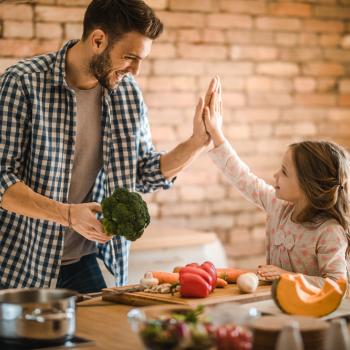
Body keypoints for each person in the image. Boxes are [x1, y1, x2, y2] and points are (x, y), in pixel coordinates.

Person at [0, 0, 214, 292]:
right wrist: (69, 214)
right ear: (98, 40)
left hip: (83, 261)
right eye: (129, 57)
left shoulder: (126, 93)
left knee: (108, 337)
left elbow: (142, 173)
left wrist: (197, 143)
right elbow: (2, 178)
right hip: (19, 262)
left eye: (141, 60)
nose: (135, 71)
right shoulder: (22, 83)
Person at [205, 77, 350, 287]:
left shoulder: (329, 232)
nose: (275, 175)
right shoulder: (278, 206)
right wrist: (216, 134)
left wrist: (286, 276)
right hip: (279, 308)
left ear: (308, 186)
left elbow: (338, 286)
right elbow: (243, 177)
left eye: (284, 172)